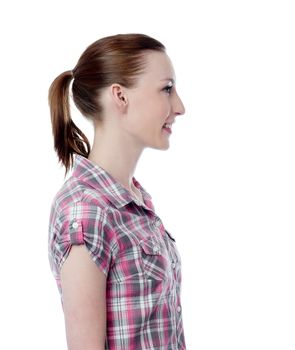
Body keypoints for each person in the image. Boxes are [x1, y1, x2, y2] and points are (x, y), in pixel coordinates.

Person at [48, 34, 186, 349]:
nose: (179, 107)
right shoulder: (86, 210)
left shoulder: (136, 201)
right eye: (167, 89)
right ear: (120, 97)